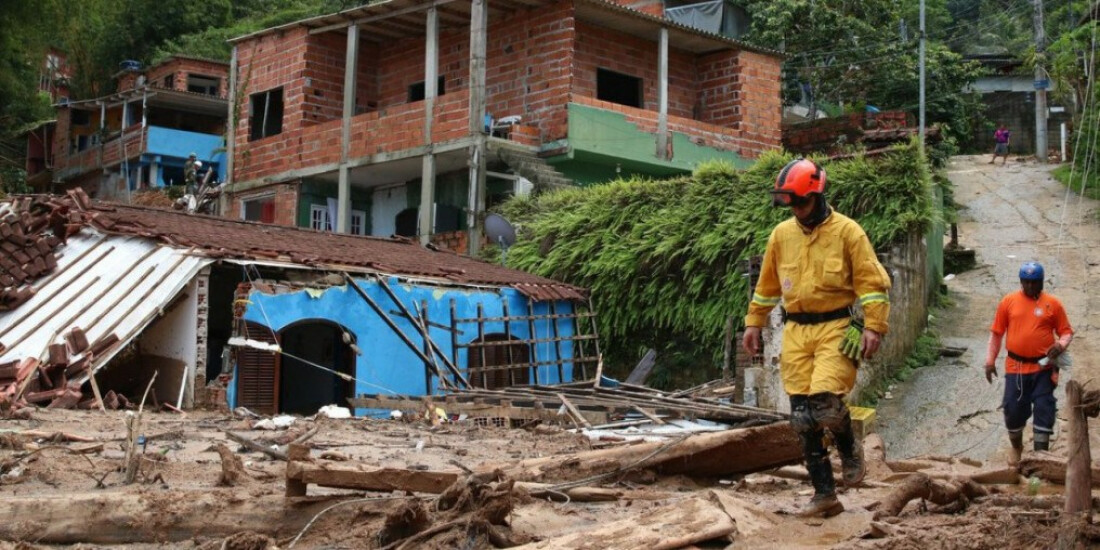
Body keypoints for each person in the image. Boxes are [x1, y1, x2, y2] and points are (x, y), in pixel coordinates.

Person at [742, 158, 892, 518]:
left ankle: (849, 447)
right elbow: (766, 288)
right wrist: (753, 323)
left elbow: (872, 286)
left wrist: (873, 326)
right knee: (801, 418)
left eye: (801, 202)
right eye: (790, 203)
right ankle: (825, 494)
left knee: (824, 403)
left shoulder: (849, 233)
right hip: (796, 330)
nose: (796, 209)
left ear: (819, 194)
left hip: (836, 328)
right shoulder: (781, 235)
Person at [984, 262, 1073, 465]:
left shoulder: (1053, 304)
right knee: (1013, 409)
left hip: (1044, 368)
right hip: (1016, 367)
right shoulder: (1008, 302)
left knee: (1044, 407)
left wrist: (1060, 345)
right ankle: (1017, 448)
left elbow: (1066, 332)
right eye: (1027, 282)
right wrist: (989, 361)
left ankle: (1040, 458)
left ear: (1041, 282)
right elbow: (997, 333)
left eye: (1035, 283)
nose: (1031, 287)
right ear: (1021, 282)